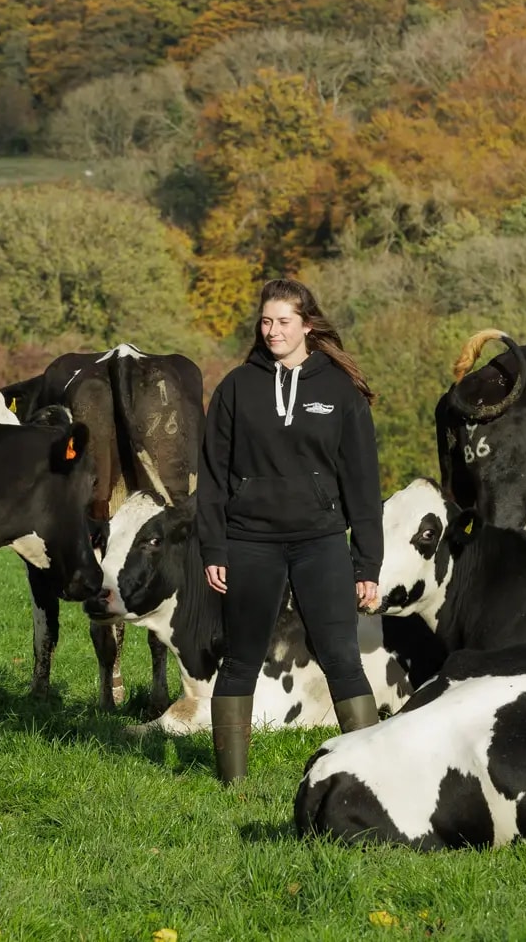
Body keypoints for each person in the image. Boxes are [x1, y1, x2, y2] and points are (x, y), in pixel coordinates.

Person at [195, 278, 384, 785]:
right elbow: (212, 475)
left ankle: (367, 775)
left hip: (321, 542)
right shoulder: (237, 387)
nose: (273, 330)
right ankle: (231, 786)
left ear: (307, 325)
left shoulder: (340, 392)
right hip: (248, 541)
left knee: (343, 658)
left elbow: (363, 483)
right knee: (239, 660)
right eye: (266, 321)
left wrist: (367, 563)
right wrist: (214, 546)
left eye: (283, 321)